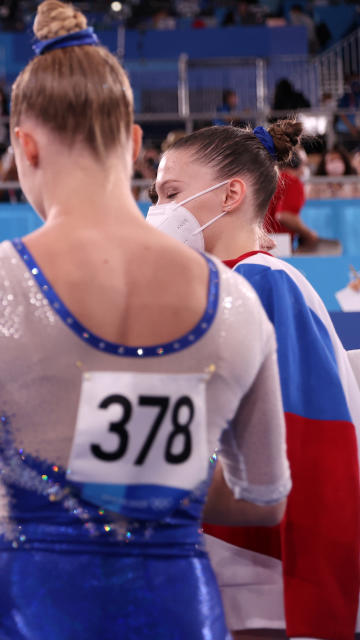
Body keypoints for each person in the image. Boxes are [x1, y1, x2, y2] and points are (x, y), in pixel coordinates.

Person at [0, 2, 290, 638]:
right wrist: (142, 484)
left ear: (24, 148)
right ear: (133, 145)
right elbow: (265, 500)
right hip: (178, 613)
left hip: (35, 613)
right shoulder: (235, 302)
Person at [150, 121, 360, 640]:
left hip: (262, 569)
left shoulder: (265, 283)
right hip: (221, 558)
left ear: (231, 194)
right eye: (156, 195)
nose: (158, 211)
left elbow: (309, 445)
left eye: (172, 193)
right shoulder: (221, 289)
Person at [264, 147, 319, 250]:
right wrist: (309, 234)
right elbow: (284, 216)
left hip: (259, 241)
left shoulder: (268, 180)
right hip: (277, 244)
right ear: (297, 163)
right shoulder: (292, 182)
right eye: (305, 164)